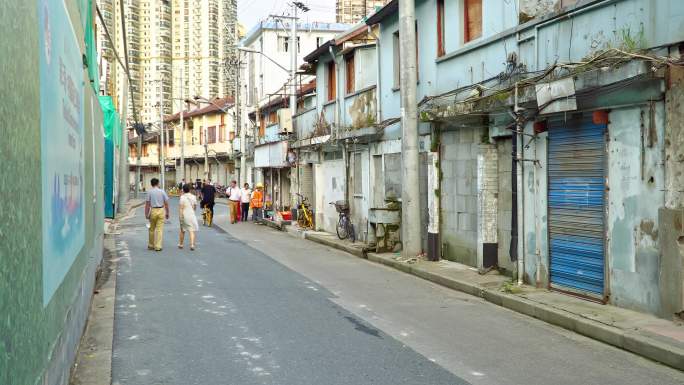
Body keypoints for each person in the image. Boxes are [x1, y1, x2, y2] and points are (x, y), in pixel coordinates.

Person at [144, 178, 169, 251]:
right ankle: (158, 246)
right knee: (159, 229)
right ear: (158, 183)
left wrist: (146, 214)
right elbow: (166, 203)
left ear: (151, 184)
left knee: (152, 229)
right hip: (161, 210)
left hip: (153, 210)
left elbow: (147, 204)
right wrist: (167, 212)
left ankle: (151, 245)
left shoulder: (149, 192)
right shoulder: (162, 191)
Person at [178, 184, 199, 250]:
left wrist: (180, 216)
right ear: (190, 189)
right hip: (191, 215)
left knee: (182, 230)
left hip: (184, 215)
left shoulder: (182, 197)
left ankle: (181, 244)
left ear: (183, 190)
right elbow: (195, 207)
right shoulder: (193, 197)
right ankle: (192, 245)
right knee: (191, 230)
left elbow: (181, 208)